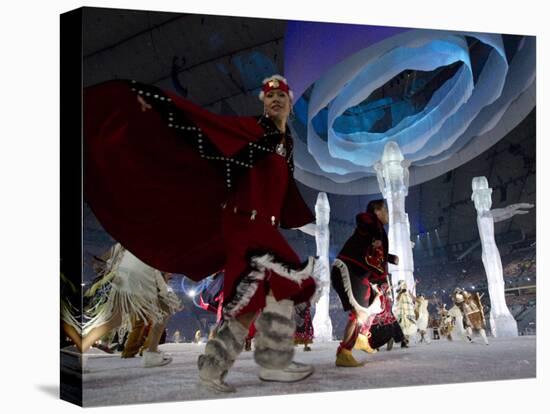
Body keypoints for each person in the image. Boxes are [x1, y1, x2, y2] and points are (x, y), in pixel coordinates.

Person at [84, 75, 323, 392]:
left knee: (254, 301)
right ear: (263, 103)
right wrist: (156, 103)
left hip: (263, 226)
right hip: (246, 225)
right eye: (270, 96)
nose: (276, 100)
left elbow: (283, 189)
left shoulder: (286, 143)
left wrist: (299, 219)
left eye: (281, 95)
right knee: (291, 280)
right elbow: (210, 137)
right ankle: (272, 362)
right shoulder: (253, 130)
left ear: (291, 103)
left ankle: (221, 367)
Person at [81, 243, 181, 367]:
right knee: (166, 308)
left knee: (114, 319)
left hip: (124, 271)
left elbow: (108, 255)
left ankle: (80, 349)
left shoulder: (134, 231)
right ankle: (151, 354)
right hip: (142, 272)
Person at [331, 200, 399, 367]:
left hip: (359, 273)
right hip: (350, 270)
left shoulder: (376, 230)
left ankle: (361, 338)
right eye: (386, 211)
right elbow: (363, 219)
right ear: (377, 211)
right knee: (360, 313)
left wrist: (389, 258)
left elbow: (374, 254)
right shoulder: (369, 221)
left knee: (376, 304)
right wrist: (376, 236)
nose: (388, 215)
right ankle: (344, 352)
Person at [395, 280, 417, 347]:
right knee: (403, 327)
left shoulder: (407, 294)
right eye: (404, 285)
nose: (405, 286)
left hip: (408, 312)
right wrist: (401, 292)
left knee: (409, 327)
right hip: (403, 313)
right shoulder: (400, 293)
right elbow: (397, 299)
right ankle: (403, 341)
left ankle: (405, 341)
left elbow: (413, 300)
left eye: (405, 285)